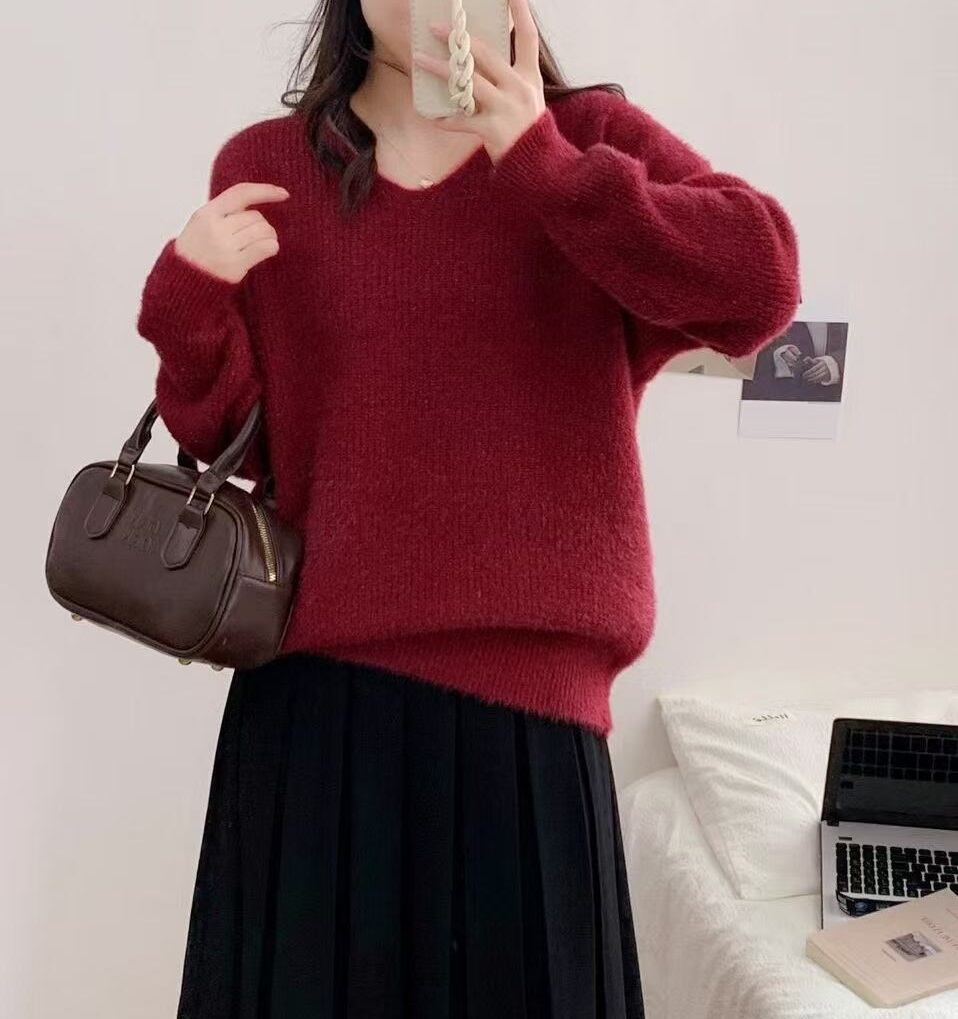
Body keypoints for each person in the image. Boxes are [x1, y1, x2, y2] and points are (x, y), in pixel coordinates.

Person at [135, 0, 801, 1015]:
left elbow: (760, 282)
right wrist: (188, 302)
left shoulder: (583, 138)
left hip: (532, 732)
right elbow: (244, 443)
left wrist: (542, 162)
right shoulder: (271, 165)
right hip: (319, 715)